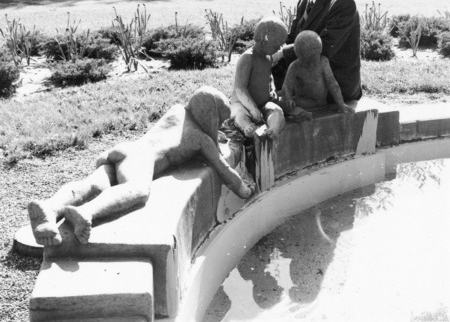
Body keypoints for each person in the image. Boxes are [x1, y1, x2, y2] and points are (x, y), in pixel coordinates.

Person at [28, 86, 255, 247]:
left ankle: (50, 208)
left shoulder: (177, 110)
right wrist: (244, 190)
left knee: (92, 184)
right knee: (137, 190)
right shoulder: (200, 139)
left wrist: (216, 135)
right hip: (142, 161)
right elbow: (223, 168)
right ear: (212, 115)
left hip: (126, 150)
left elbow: (193, 129)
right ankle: (86, 212)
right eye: (219, 119)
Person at [272, 0, 362, 102]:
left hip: (334, 84)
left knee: (280, 104)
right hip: (309, 74)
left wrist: (281, 54)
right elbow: (293, 38)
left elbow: (324, 48)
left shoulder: (343, 2)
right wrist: (270, 49)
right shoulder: (304, 1)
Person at [230, 16, 288, 139]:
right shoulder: (247, 58)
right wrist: (253, 109)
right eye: (277, 44)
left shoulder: (267, 58)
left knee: (277, 112)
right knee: (240, 114)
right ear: (265, 39)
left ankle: (273, 130)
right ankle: (247, 127)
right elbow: (240, 88)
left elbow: (279, 56)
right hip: (243, 104)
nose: (279, 47)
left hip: (263, 104)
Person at [280, 30, 355, 119]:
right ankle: (300, 113)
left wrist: (341, 103)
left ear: (319, 52)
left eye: (313, 60)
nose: (311, 65)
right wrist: (288, 99)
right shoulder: (295, 66)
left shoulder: (323, 62)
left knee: (280, 102)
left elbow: (332, 83)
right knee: (283, 100)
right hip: (302, 100)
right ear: (297, 55)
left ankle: (300, 113)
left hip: (316, 102)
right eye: (306, 61)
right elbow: (287, 86)